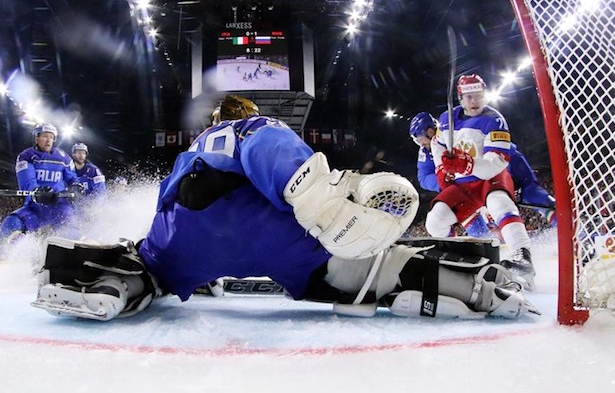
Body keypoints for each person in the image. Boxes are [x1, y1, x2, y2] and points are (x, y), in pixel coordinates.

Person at [31, 95, 538, 322]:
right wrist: (319, 201)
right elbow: (264, 143)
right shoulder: (251, 124)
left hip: (188, 235)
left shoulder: (201, 142)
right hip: (277, 234)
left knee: (151, 261)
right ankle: (467, 287)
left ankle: (117, 283)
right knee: (364, 271)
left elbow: (168, 199)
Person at [424, 74, 537, 289]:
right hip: (463, 183)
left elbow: (497, 161)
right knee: (434, 221)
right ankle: (452, 256)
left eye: (478, 96)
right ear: (460, 97)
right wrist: (441, 168)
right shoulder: (447, 119)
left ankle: (522, 258)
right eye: (469, 97)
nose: (474, 101)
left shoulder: (495, 120)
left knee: (499, 203)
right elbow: (437, 144)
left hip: (490, 177)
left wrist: (465, 164)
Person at [0, 123, 83, 243]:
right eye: (45, 136)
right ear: (37, 138)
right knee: (11, 223)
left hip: (60, 207)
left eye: (51, 137)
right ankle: (25, 248)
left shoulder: (65, 158)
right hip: (35, 208)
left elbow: (72, 179)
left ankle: (78, 245)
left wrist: (76, 186)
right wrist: (36, 191)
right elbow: (27, 180)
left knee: (70, 229)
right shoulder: (26, 156)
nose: (48, 140)